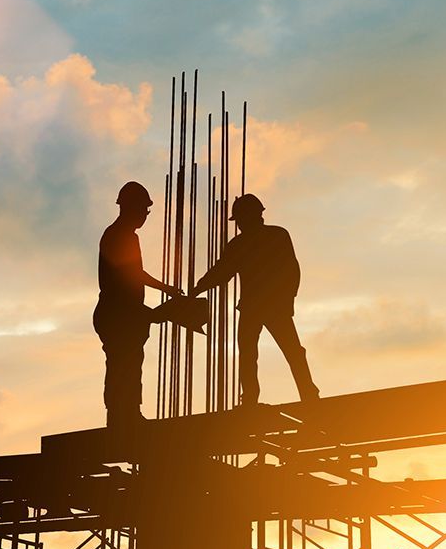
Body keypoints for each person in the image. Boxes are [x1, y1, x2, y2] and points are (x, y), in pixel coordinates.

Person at [191, 193, 319, 406]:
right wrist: (199, 287)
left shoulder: (269, 237)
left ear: (252, 216)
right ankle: (286, 395)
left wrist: (288, 300)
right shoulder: (255, 240)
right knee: (258, 352)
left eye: (240, 219)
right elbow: (222, 271)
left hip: (268, 305)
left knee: (278, 352)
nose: (239, 224)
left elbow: (291, 269)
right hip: (260, 306)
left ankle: (303, 394)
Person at [93, 182, 181, 426]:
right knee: (123, 364)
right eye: (143, 210)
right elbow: (132, 275)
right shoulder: (120, 236)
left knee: (129, 363)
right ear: (131, 208)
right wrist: (167, 291)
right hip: (117, 314)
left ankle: (127, 414)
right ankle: (122, 418)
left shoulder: (123, 235)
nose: (145, 216)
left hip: (123, 313)